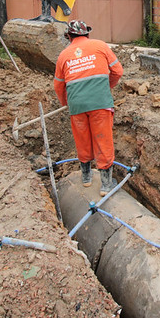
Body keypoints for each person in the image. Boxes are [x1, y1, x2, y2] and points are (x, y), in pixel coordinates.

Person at [53, 20, 123, 196]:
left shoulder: (63, 55)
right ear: (87, 34)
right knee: (103, 139)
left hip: (77, 105)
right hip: (100, 103)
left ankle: (86, 178)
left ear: (69, 37)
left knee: (82, 140)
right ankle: (106, 185)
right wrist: (108, 86)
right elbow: (118, 71)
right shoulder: (100, 45)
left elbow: (58, 85)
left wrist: (65, 102)